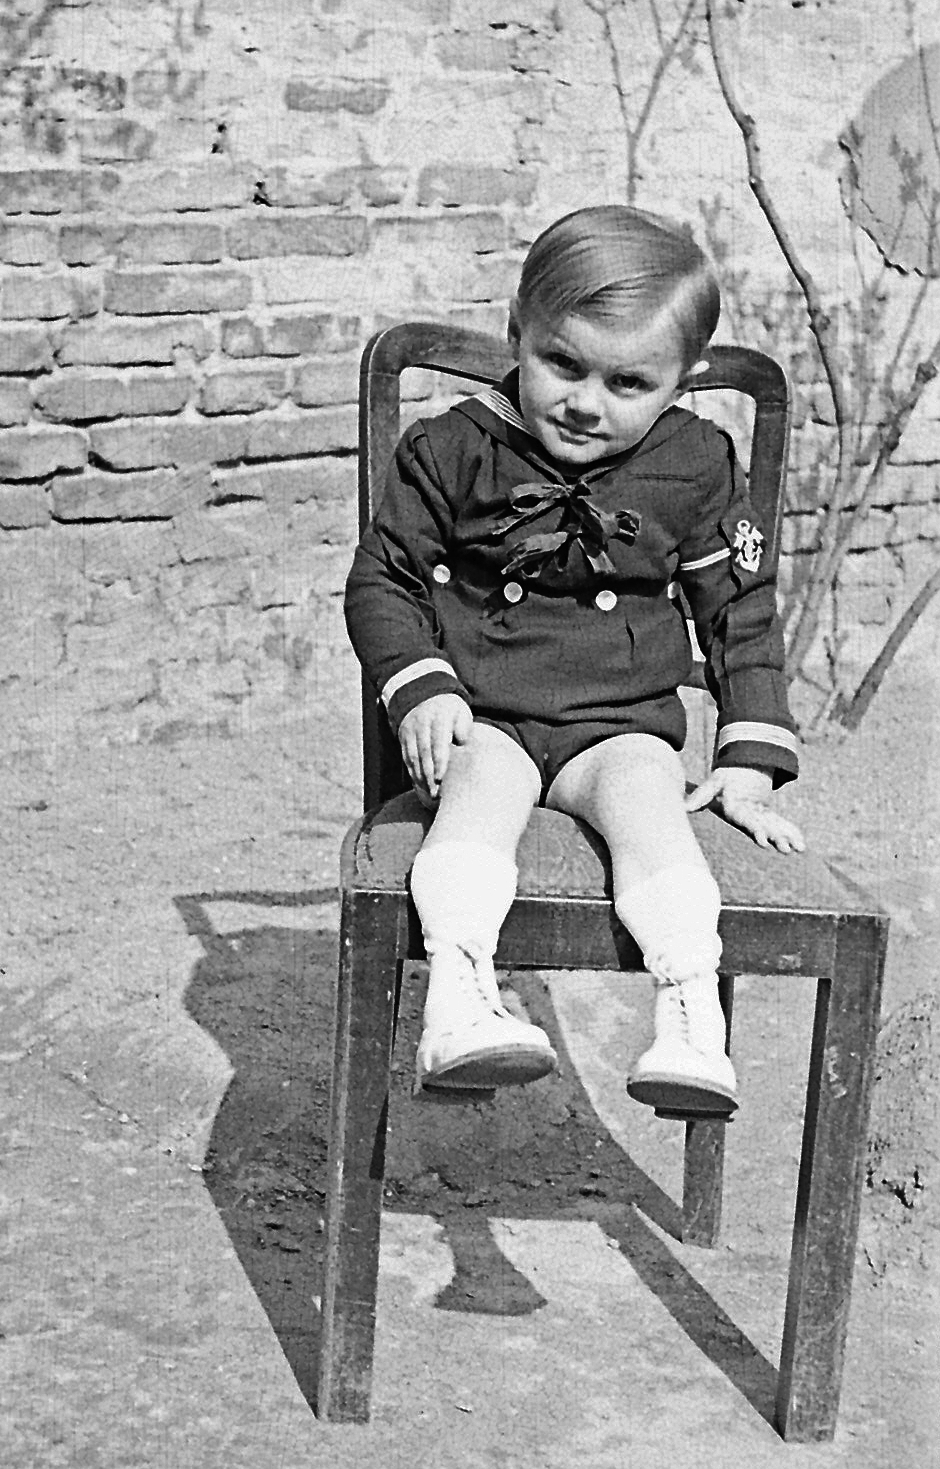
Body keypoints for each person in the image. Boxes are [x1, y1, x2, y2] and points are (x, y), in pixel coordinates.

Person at [343, 204, 805, 1118]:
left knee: (650, 807)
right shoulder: (455, 446)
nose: (586, 402)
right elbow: (382, 580)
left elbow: (739, 614)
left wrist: (749, 762)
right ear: (520, 330)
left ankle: (685, 1013)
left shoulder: (697, 463)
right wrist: (420, 688)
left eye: (629, 382)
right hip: (490, 711)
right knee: (476, 791)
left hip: (616, 724)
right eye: (561, 363)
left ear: (681, 382)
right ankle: (461, 997)